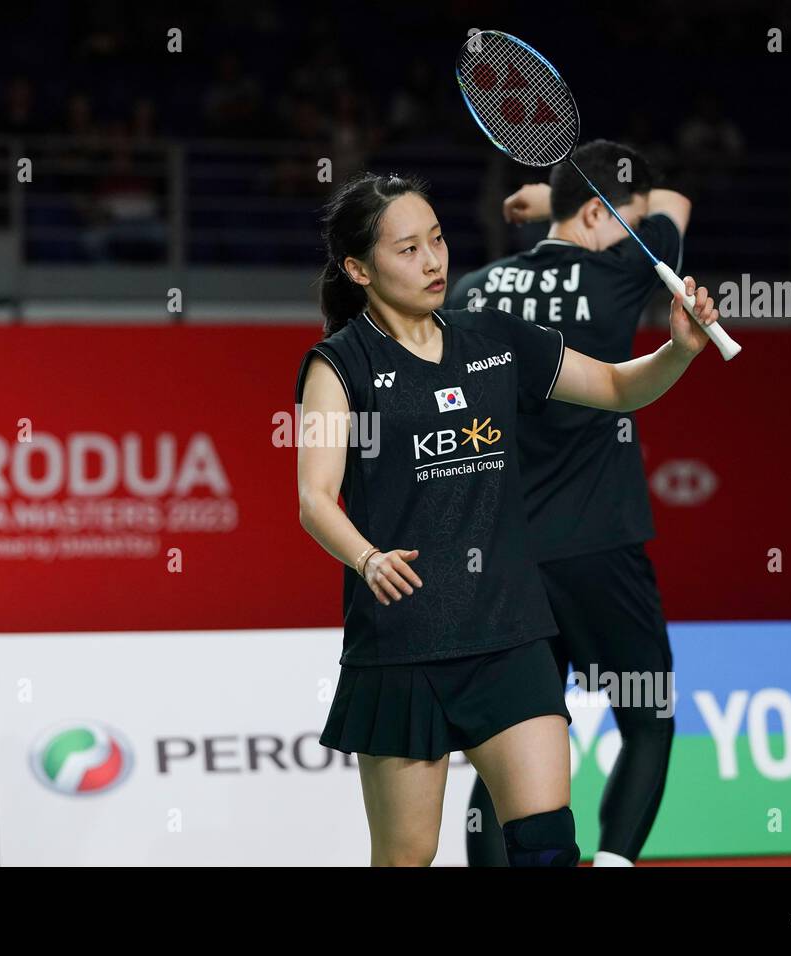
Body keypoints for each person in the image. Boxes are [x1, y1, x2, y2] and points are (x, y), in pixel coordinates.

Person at [294, 171, 716, 866]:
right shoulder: (338, 367)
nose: (433, 262)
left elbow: (614, 387)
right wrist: (367, 558)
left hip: (510, 632)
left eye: (436, 240)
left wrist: (678, 350)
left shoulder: (494, 338)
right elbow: (314, 498)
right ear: (358, 268)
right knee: (407, 857)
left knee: (548, 844)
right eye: (407, 250)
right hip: (406, 644)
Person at [450, 140, 692, 867]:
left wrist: (548, 206)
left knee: (514, 748)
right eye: (628, 217)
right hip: (598, 549)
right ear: (597, 212)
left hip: (499, 561)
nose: (638, 228)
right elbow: (676, 203)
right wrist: (542, 197)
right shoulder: (618, 272)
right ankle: (615, 863)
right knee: (648, 720)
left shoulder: (472, 289)